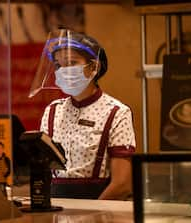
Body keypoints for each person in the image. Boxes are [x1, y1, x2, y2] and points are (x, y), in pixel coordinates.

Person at [30, 29, 136, 200]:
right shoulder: (52, 111)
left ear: (94, 67)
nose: (63, 70)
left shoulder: (117, 112)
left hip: (101, 209)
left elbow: (122, 184)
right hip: (57, 208)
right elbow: (44, 172)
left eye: (71, 63)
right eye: (58, 65)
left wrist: (91, 214)